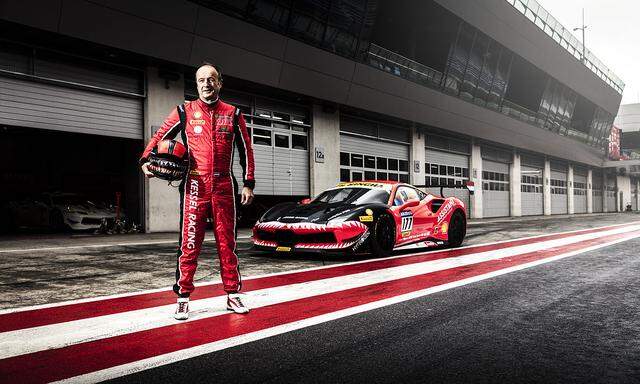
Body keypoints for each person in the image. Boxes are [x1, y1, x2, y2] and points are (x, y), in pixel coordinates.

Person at [140, 63, 255, 320]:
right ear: (197, 84)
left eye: (211, 79)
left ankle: (233, 294)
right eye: (201, 80)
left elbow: (247, 149)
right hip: (194, 185)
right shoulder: (184, 111)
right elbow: (159, 136)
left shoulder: (234, 113)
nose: (206, 84)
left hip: (224, 186)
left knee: (228, 243)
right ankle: (182, 297)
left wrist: (248, 183)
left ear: (219, 83)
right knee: (189, 243)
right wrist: (145, 160)